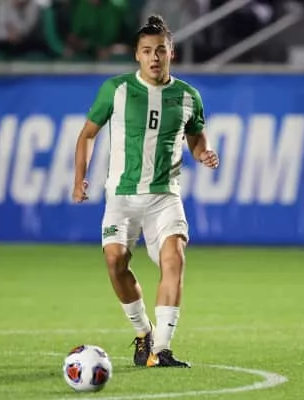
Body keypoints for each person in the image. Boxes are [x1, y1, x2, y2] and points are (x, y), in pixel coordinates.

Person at [71, 14, 219, 368]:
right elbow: (87, 134)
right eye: (147, 51)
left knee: (174, 259)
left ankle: (161, 350)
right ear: (137, 55)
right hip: (121, 196)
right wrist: (79, 179)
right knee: (115, 262)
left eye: (161, 50)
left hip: (164, 196)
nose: (155, 57)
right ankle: (143, 332)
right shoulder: (116, 90)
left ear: (172, 54)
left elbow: (196, 137)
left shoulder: (188, 96)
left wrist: (203, 153)